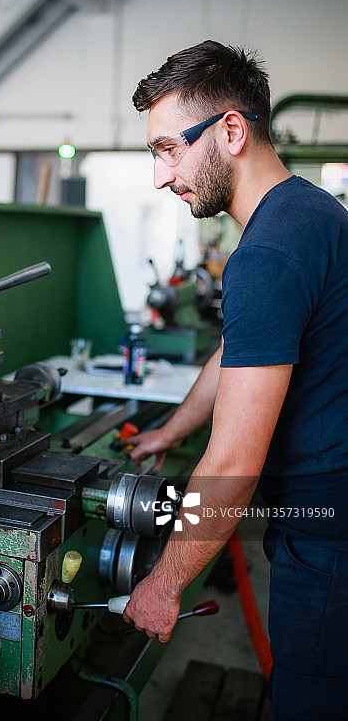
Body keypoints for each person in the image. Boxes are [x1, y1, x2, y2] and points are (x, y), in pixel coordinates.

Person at [122, 40, 348, 721]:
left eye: (169, 149)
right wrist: (172, 427)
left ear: (229, 129)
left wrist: (162, 586)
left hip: (325, 538)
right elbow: (239, 352)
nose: (162, 177)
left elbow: (232, 465)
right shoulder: (305, 211)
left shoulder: (268, 251)